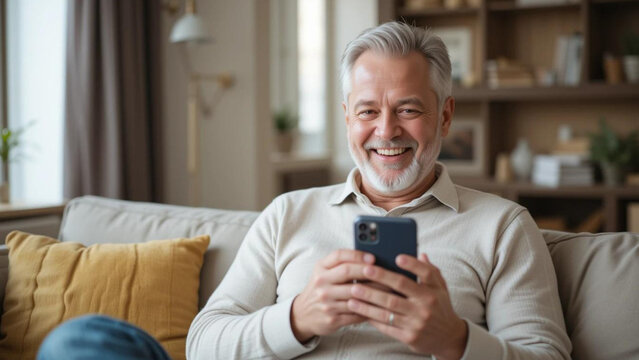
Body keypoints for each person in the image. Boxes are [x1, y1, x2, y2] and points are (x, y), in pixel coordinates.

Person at [39, 21, 571, 360]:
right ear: (347, 118)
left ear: (445, 116)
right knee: (79, 343)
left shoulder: (502, 226)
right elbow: (204, 343)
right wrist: (297, 318)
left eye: (408, 109)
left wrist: (454, 341)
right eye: (368, 111)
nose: (386, 131)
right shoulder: (287, 213)